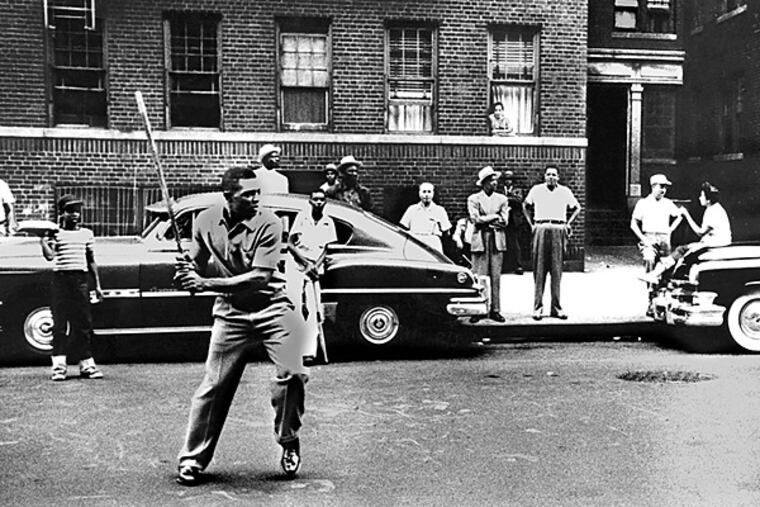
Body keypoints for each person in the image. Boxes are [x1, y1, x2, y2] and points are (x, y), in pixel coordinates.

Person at [174, 167, 309, 486]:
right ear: (227, 197)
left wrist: (204, 282)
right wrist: (185, 270)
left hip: (273, 307)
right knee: (213, 386)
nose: (255, 199)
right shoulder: (205, 220)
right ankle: (192, 459)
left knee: (294, 374)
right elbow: (195, 260)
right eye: (247, 195)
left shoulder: (270, 223)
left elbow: (259, 277)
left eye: (257, 193)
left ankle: (288, 438)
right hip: (230, 312)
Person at [39, 194, 104, 381]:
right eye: (70, 211)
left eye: (77, 211)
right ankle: (59, 367)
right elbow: (50, 257)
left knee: (83, 323)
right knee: (60, 324)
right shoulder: (55, 233)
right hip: (61, 280)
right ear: (62, 213)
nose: (74, 215)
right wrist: (43, 242)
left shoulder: (87, 234)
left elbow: (91, 261)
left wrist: (97, 286)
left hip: (80, 280)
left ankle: (87, 365)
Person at [639, 181, 732, 285]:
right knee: (681, 251)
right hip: (715, 242)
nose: (699, 198)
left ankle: (655, 274)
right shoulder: (714, 208)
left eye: (702, 196)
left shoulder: (713, 212)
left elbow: (700, 233)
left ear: (708, 200)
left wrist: (687, 215)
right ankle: (657, 274)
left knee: (681, 249)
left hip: (715, 244)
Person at [523, 165, 581, 321]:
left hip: (558, 228)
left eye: (554, 175)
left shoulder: (565, 191)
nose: (551, 177)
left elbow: (577, 207)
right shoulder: (536, 190)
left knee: (556, 270)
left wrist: (568, 223)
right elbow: (525, 206)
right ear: (544, 176)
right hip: (540, 227)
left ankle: (556, 307)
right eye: (548, 174)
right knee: (539, 269)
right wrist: (532, 225)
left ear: (558, 177)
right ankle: (538, 308)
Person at [288, 188, 338, 364]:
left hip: (315, 268)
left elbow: (327, 248)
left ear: (325, 202)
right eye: (315, 199)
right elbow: (290, 244)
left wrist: (315, 266)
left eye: (321, 200)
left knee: (313, 309)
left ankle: (309, 352)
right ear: (309, 201)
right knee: (294, 305)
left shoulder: (328, 222)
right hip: (296, 264)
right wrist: (305, 263)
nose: (318, 202)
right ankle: (294, 349)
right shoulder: (302, 218)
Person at [630, 173, 683, 313]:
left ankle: (662, 300)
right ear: (653, 186)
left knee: (667, 267)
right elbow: (633, 224)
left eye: (665, 187)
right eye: (661, 186)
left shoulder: (667, 203)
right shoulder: (643, 203)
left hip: (664, 239)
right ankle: (650, 297)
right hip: (649, 237)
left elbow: (678, 216)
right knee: (649, 260)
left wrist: (670, 230)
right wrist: (644, 240)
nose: (663, 190)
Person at [467, 166, 509, 323]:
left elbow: (504, 222)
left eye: (495, 180)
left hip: (497, 240)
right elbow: (475, 220)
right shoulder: (474, 199)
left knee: (496, 277)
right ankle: (479, 309)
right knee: (479, 277)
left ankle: (495, 310)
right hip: (480, 240)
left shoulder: (502, 199)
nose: (495, 183)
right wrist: (494, 217)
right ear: (484, 183)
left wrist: (487, 220)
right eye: (491, 180)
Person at [399, 182, 452, 253]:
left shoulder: (439, 210)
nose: (426, 195)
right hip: (415, 241)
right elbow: (403, 228)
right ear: (419, 193)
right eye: (424, 192)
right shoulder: (412, 209)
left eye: (429, 192)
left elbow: (446, 231)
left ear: (433, 193)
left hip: (433, 242)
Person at [501, 170, 525, 274]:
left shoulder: (517, 190)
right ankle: (505, 265)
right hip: (503, 218)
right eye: (506, 179)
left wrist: (506, 198)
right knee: (502, 242)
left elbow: (519, 201)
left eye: (510, 179)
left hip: (514, 220)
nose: (508, 181)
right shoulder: (500, 190)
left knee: (515, 243)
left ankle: (518, 265)